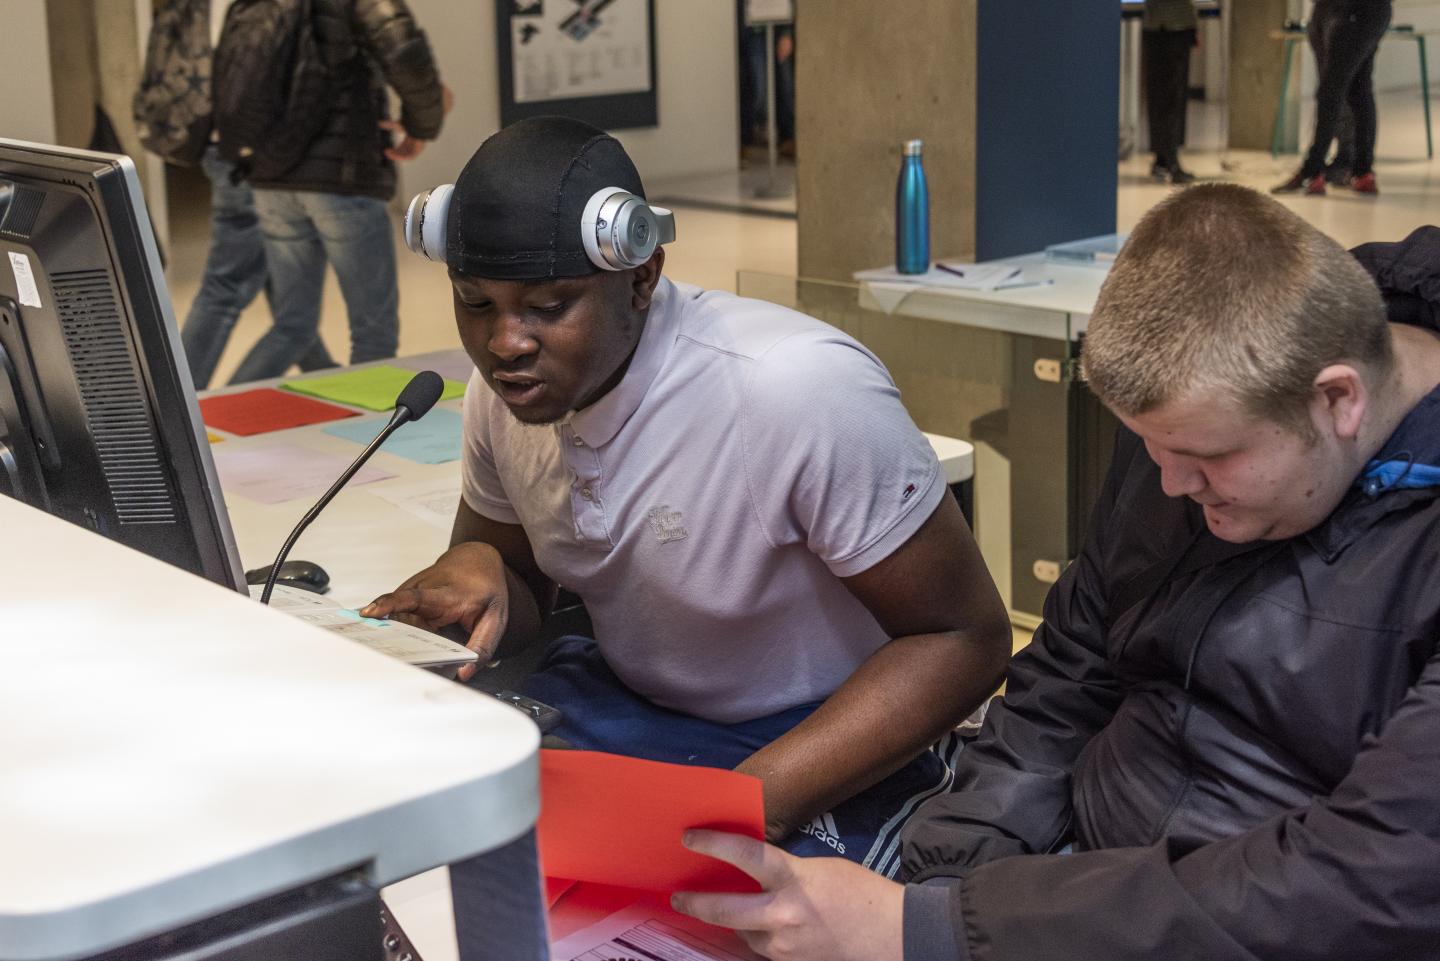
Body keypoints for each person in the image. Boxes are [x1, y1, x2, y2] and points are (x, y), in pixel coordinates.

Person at [668, 186, 1440, 959]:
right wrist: (952, 877)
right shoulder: (1198, 421)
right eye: (1150, 447)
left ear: (1337, 398)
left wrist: (932, 931)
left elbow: (1369, 879)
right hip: (1063, 894)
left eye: (1205, 459)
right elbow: (1070, 668)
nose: (1171, 485)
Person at [361, 116, 1011, 862]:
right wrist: (486, 571)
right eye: (477, 304)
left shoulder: (794, 389)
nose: (506, 342)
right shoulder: (503, 392)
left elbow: (966, 638)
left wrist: (743, 807)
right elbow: (519, 595)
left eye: (546, 306)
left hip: (814, 737)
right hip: (634, 707)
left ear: (641, 276)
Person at [225, 0, 447, 383]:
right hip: (342, 177)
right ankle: (367, 439)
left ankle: (208, 424)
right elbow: (404, 51)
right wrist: (421, 126)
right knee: (372, 332)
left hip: (269, 175)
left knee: (292, 326)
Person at [1274, 0, 1392, 196]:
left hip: (1354, 12)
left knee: (1332, 92)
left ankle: (1312, 171)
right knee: (1358, 91)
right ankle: (1362, 172)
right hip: (1338, 10)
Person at [1142, 0, 1197, 184]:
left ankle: (1162, 159)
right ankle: (1170, 159)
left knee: (1162, 97)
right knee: (1171, 97)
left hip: (1163, 26)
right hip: (1171, 28)